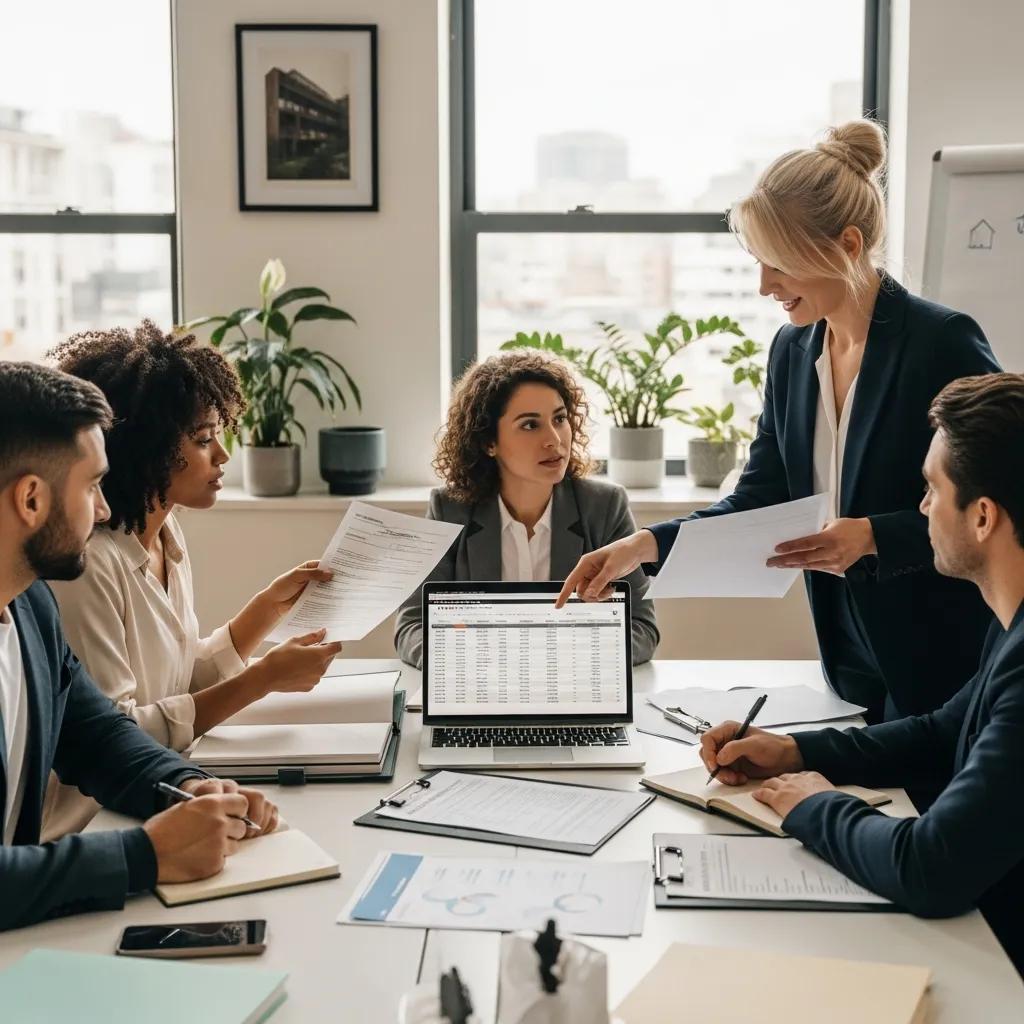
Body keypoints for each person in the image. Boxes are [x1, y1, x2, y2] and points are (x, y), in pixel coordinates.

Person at [559, 120, 999, 723]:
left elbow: (998, 503)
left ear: (846, 245)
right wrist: (641, 546)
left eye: (779, 264)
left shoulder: (939, 342)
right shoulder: (792, 354)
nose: (764, 286)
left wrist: (871, 535)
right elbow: (764, 498)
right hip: (847, 657)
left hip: (946, 661)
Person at [699, 373, 1024, 973]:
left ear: (982, 516)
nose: (921, 506)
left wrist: (813, 805)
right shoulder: (1010, 628)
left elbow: (931, 867)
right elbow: (941, 732)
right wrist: (793, 751)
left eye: (930, 488)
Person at [0, 361, 278, 931]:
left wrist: (186, 786)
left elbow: (97, 736)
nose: (103, 510)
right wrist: (144, 855)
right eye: (93, 485)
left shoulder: (29, 606)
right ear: (31, 500)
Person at [41, 321, 342, 839]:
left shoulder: (165, 534)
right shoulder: (88, 565)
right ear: (146, 448)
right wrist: (262, 679)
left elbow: (175, 685)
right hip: (91, 824)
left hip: (159, 798)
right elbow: (119, 734)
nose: (223, 455)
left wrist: (264, 612)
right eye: (203, 439)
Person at [394, 350, 659, 667]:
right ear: (488, 442)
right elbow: (412, 627)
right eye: (530, 425)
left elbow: (642, 630)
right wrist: (474, 662)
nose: (554, 439)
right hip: (484, 692)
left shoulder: (604, 507)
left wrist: (550, 661)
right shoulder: (450, 510)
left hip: (569, 693)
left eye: (559, 419)